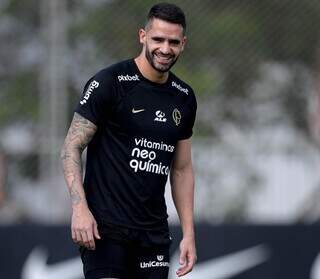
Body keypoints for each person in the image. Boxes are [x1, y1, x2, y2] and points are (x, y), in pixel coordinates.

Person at [61, 2, 197, 279]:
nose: (165, 49)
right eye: (158, 39)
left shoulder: (184, 97)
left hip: (153, 234)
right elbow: (70, 147)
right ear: (143, 36)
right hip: (105, 230)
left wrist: (189, 233)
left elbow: (181, 169)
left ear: (183, 44)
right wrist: (79, 209)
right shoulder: (110, 83)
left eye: (173, 42)